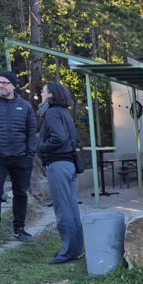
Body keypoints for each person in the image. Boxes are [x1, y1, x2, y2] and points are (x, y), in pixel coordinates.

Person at [0, 71, 37, 244]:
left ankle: (19, 229)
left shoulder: (25, 106)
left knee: (21, 193)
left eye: (5, 82)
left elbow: (31, 130)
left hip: (21, 156)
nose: (1, 85)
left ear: (13, 85)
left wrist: (29, 152)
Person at [37, 82, 84, 264]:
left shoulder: (52, 113)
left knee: (63, 209)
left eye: (43, 91)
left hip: (58, 165)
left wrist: (41, 146)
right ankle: (76, 249)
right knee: (71, 208)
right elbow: (73, 138)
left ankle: (69, 251)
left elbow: (59, 138)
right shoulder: (64, 112)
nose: (41, 94)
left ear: (50, 95)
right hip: (68, 165)